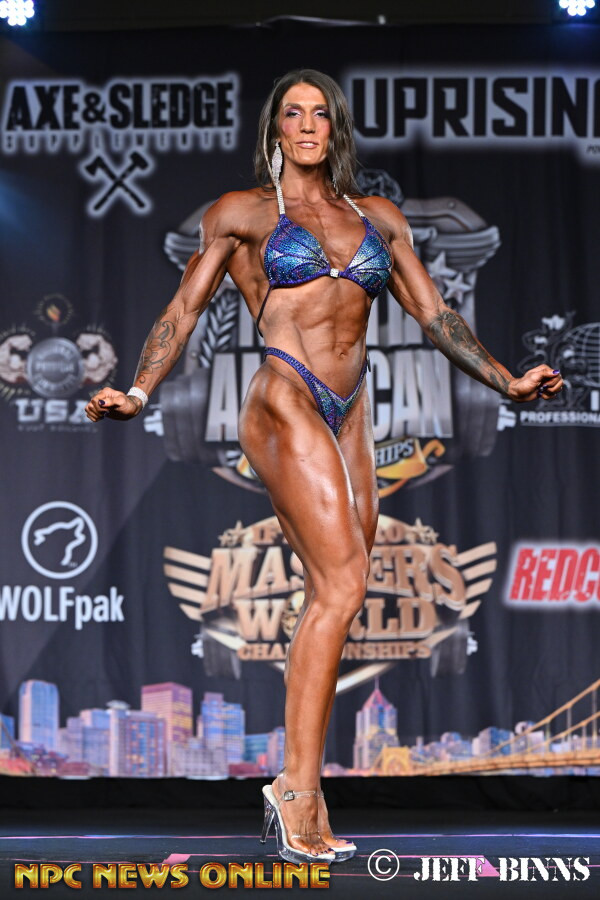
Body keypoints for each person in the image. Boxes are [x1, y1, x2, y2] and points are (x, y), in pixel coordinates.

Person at [85, 69, 563, 864]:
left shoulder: (376, 218)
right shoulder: (243, 214)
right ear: (275, 128)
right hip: (284, 395)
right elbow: (185, 309)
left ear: (335, 129)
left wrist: (508, 381)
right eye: (292, 113)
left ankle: (296, 783)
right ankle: (299, 791)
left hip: (352, 411)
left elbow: (434, 313)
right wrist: (137, 391)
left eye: (320, 114)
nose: (307, 125)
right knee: (341, 585)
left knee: (338, 593)